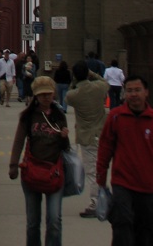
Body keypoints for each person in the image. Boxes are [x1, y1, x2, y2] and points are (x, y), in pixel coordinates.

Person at [9, 75, 70, 246]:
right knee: (33, 223)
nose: (46, 97)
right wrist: (13, 165)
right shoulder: (28, 116)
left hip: (54, 173)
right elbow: (19, 140)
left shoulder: (59, 116)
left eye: (49, 93)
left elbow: (66, 148)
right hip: (32, 172)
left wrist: (64, 138)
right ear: (36, 95)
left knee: (54, 221)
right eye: (42, 94)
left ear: (53, 94)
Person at [96, 75, 153, 245]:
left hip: (148, 187)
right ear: (124, 93)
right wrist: (101, 176)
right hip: (123, 184)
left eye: (137, 90)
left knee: (146, 231)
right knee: (122, 225)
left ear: (146, 92)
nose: (133, 94)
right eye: (129, 91)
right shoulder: (116, 117)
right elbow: (105, 148)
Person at [65, 60, 108, 218]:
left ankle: (96, 203)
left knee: (92, 171)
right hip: (101, 133)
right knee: (101, 167)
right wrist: (92, 74)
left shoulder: (74, 94)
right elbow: (105, 82)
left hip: (86, 135)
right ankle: (103, 198)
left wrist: (75, 80)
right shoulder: (99, 88)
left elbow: (67, 96)